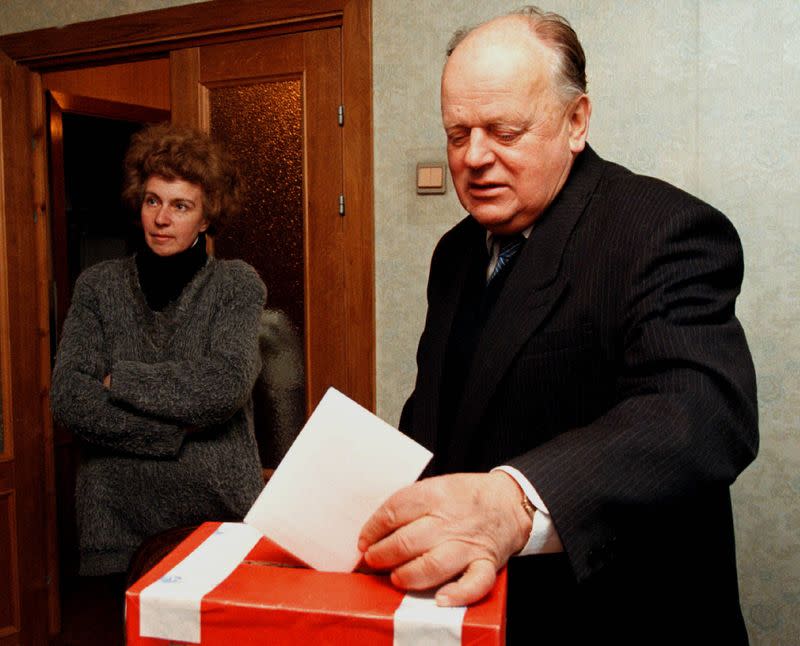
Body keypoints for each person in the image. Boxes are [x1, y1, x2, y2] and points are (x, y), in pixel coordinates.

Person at [358, 6, 758, 644]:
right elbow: (446, 408)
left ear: (576, 121)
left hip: (619, 615)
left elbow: (701, 413)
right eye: (457, 134)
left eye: (504, 131)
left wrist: (516, 503)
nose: (476, 157)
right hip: (479, 614)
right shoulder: (456, 253)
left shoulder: (663, 230)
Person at [51, 123, 266, 578]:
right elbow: (70, 398)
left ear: (206, 218)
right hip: (116, 516)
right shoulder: (97, 286)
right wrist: (171, 433)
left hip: (216, 509)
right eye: (153, 201)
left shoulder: (235, 283)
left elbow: (224, 384)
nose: (162, 219)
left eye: (180, 206)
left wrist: (121, 380)